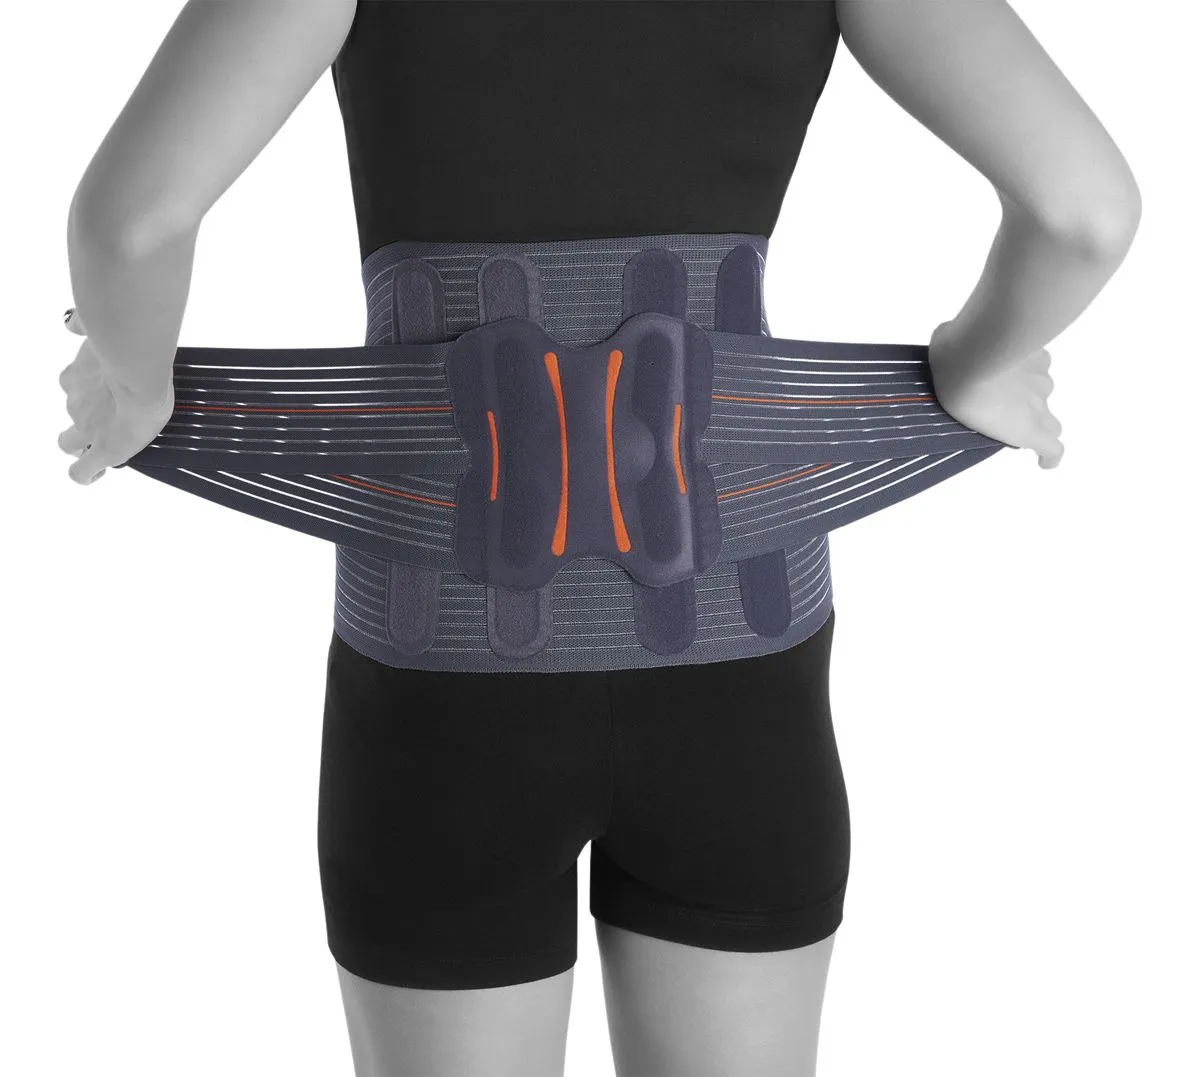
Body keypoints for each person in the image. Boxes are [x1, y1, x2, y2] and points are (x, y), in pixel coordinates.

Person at [58, 3, 1140, 1075]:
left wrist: (136, 384)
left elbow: (131, 226)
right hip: (740, 669)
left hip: (447, 687)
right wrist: (977, 364)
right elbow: (1085, 212)